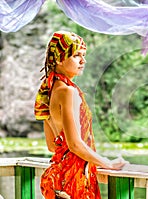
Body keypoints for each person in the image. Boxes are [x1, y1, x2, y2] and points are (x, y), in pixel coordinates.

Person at [34, 31, 127, 199]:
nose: (83, 61)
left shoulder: (49, 92)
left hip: (57, 178)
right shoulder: (68, 92)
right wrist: (108, 164)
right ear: (60, 58)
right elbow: (75, 144)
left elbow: (52, 146)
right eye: (77, 55)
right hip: (74, 181)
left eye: (84, 55)